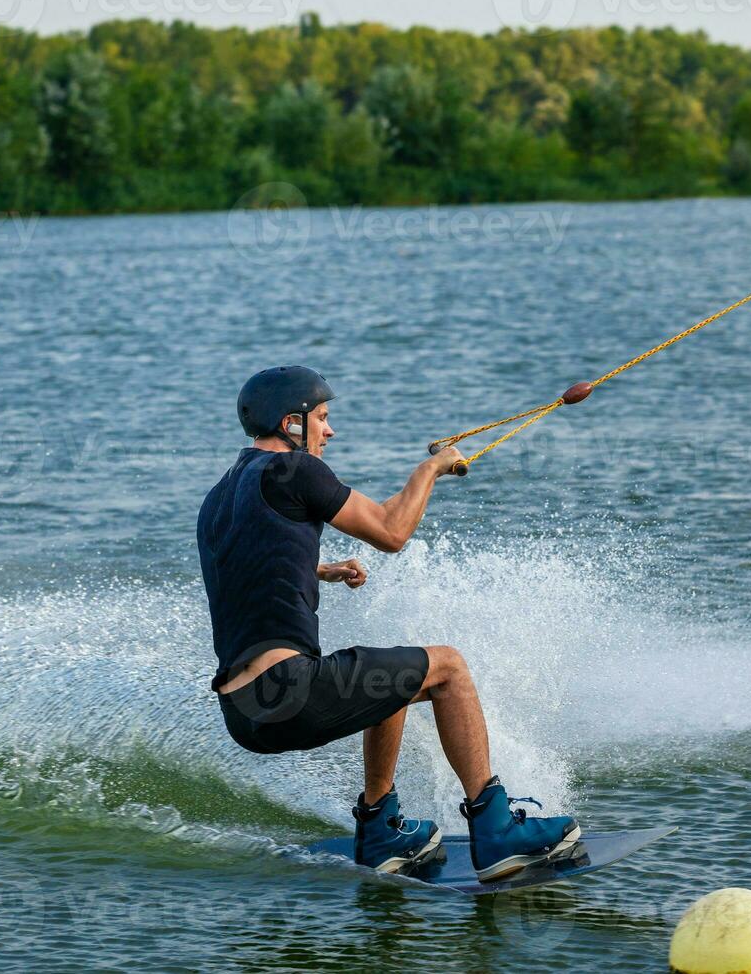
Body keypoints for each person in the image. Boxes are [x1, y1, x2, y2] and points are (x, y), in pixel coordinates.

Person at [196, 366, 580, 881]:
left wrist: (318, 569)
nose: (329, 431)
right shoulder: (295, 471)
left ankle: (379, 829)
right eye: (323, 419)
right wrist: (431, 470)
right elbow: (391, 531)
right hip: (290, 692)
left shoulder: (220, 496)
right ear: (292, 422)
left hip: (244, 713)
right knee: (449, 668)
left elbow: (244, 566)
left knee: (388, 677)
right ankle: (496, 833)